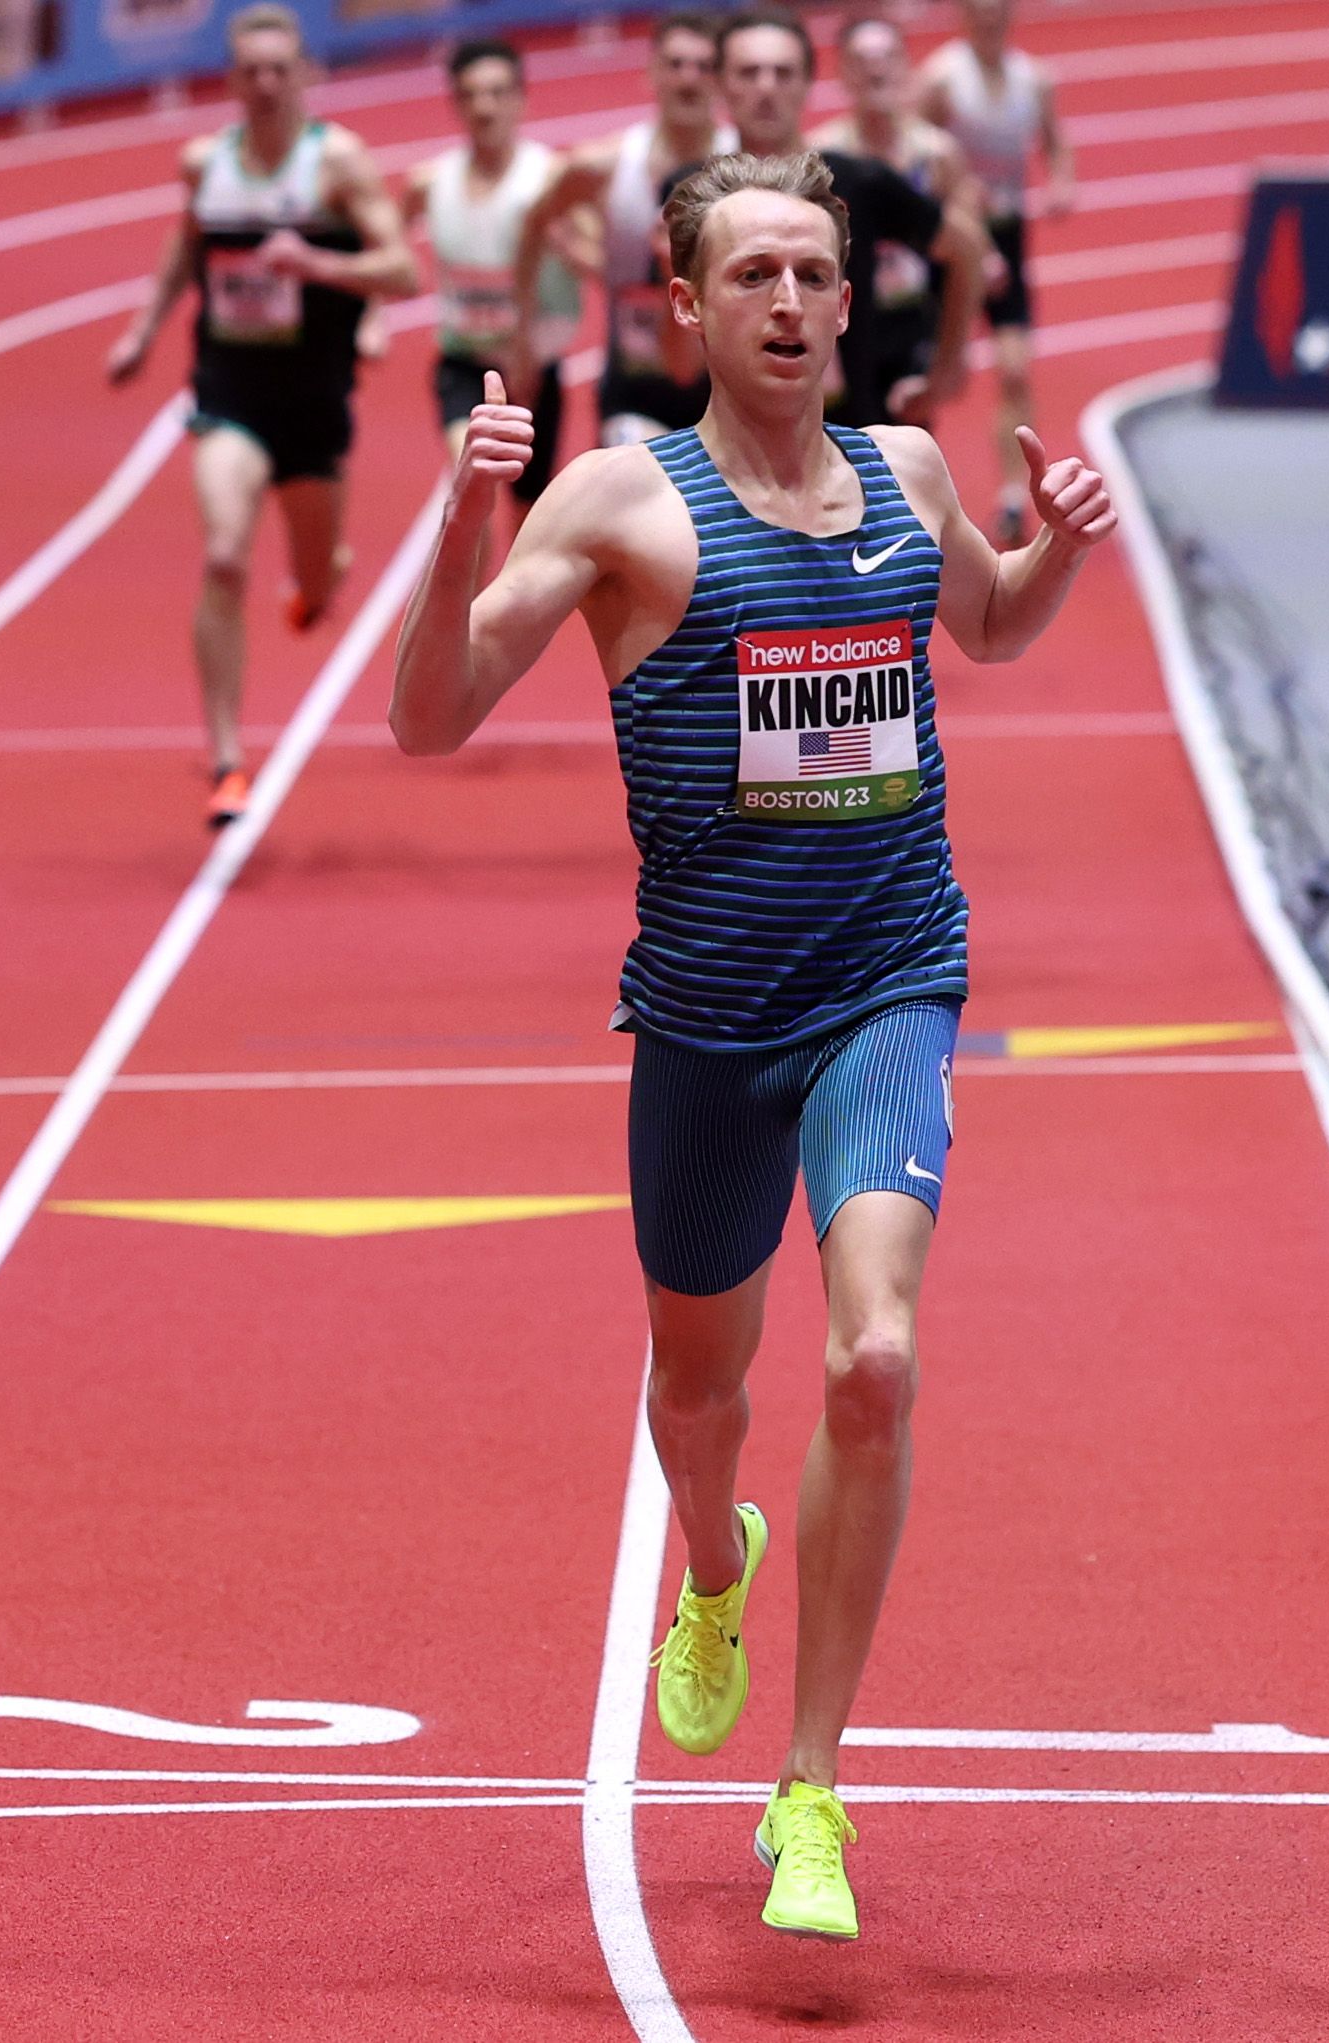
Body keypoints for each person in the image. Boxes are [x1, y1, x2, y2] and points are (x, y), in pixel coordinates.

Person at [388, 151, 1116, 1941]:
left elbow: (996, 623)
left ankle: (812, 1787)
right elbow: (429, 721)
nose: (791, 303)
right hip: (709, 1025)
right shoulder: (620, 505)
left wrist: (1060, 551)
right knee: (700, 1400)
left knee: (874, 1361)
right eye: (755, 276)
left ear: (850, 302)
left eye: (817, 272)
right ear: (685, 310)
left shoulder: (908, 470)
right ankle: (714, 1570)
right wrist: (460, 530)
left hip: (889, 980)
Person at [106, 2, 413, 828]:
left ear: (304, 73)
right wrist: (143, 329)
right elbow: (186, 243)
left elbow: (402, 271)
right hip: (228, 395)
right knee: (224, 557)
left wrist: (310, 259)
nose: (268, 83)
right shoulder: (204, 162)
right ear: (234, 80)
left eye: (282, 68)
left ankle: (322, 577)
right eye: (252, 71)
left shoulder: (336, 164)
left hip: (314, 403)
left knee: (310, 591)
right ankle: (226, 758)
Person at [708, 6, 978, 435]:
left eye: (783, 72)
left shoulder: (858, 179)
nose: (766, 88)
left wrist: (944, 370)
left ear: (809, 83)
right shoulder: (700, 196)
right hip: (736, 442)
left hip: (853, 438)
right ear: (720, 83)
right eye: (748, 72)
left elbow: (966, 247)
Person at [508, 9, 726, 449]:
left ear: (721, 79)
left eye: (703, 66)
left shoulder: (748, 168)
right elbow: (534, 221)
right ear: (651, 73)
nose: (689, 79)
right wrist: (525, 335)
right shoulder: (604, 166)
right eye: (676, 64)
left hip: (725, 393)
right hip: (634, 392)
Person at [400, 38, 579, 576]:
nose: (485, 107)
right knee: (472, 481)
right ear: (456, 103)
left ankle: (500, 625)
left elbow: (600, 259)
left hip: (533, 371)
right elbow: (387, 245)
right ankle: (467, 625)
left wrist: (570, 244)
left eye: (499, 93)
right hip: (464, 363)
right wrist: (367, 319)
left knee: (528, 521)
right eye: (472, 95)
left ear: (522, 99)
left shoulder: (553, 180)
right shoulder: (430, 182)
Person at [917, 0, 1071, 545]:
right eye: (979, 12)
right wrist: (955, 195)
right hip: (953, 240)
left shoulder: (1035, 81)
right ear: (964, 16)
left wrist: (1059, 181)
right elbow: (914, 155)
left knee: (1013, 371)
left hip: (1007, 231)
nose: (989, 21)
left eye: (998, 11)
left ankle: (1012, 498)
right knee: (927, 380)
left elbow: (1056, 143)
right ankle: (911, 495)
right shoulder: (941, 80)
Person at [810, 13, 974, 427]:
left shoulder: (937, 154)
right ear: (843, 73)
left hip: (913, 330)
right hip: (846, 332)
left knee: (909, 457)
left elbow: (968, 250)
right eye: (861, 59)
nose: (875, 67)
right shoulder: (821, 155)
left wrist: (948, 361)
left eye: (886, 56)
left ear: (906, 67)